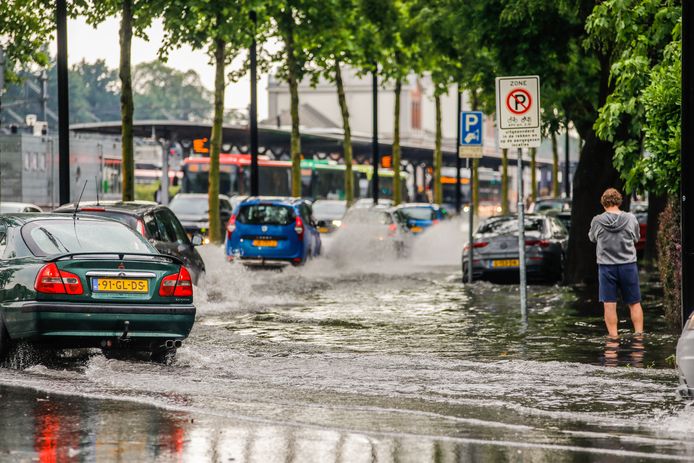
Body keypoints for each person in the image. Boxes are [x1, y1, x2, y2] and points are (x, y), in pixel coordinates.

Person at [589, 188, 644, 338]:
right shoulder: (631, 218)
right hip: (628, 265)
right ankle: (639, 336)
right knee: (634, 302)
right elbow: (636, 238)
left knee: (609, 304)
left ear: (603, 203)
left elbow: (592, 238)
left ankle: (613, 338)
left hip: (606, 267)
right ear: (619, 201)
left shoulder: (597, 220)